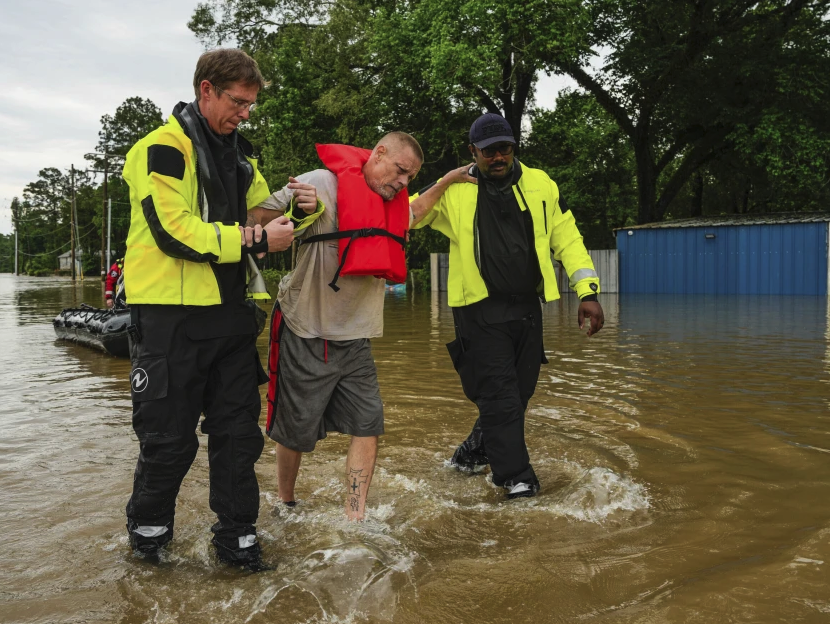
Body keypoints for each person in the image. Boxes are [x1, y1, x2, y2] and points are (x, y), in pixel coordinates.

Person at [121, 48, 300, 571]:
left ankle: (237, 536)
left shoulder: (243, 158)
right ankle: (149, 539)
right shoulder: (161, 149)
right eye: (238, 102)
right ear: (206, 90)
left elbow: (265, 219)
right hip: (170, 321)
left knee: (239, 436)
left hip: (230, 319)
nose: (245, 113)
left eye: (250, 104)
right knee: (168, 440)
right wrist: (256, 236)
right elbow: (173, 230)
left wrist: (295, 206)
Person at [409, 113, 605, 499]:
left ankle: (470, 455)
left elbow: (567, 238)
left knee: (519, 395)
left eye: (505, 148)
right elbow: (407, 216)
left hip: (527, 308)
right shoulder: (455, 189)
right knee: (499, 395)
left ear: (513, 147)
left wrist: (588, 292)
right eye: (488, 151)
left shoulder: (541, 184)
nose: (498, 157)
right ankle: (516, 479)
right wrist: (446, 179)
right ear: (473, 151)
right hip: (478, 311)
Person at [248, 132, 423, 520]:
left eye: (411, 178)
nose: (404, 183)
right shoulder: (321, 182)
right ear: (379, 154)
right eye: (401, 171)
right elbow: (255, 219)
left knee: (368, 424)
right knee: (293, 430)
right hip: (303, 327)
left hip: (356, 337)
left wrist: (450, 180)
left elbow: (420, 209)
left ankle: (354, 517)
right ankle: (286, 502)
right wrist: (297, 210)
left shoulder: (394, 205)